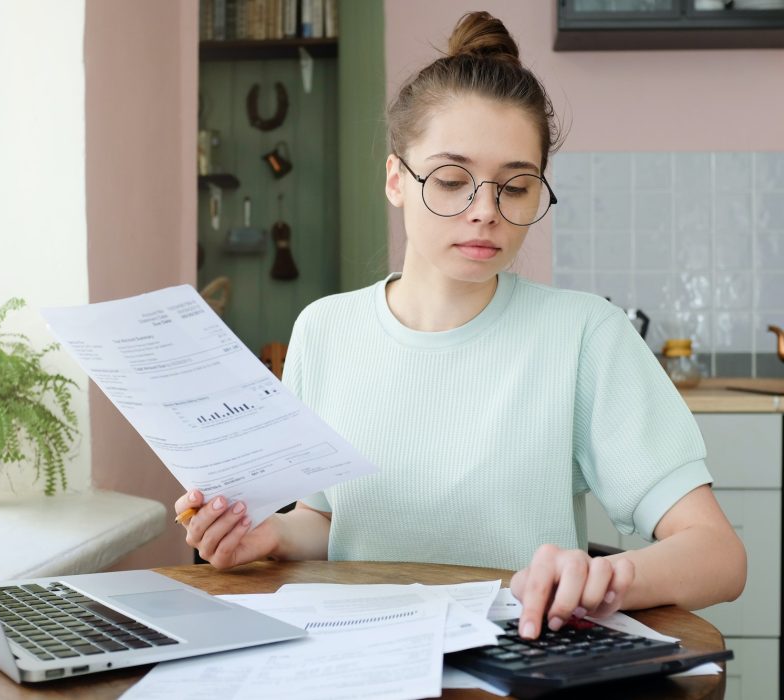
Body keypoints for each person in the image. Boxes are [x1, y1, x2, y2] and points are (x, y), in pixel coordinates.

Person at [176, 11, 746, 640]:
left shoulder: (586, 335)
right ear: (396, 179)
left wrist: (604, 579)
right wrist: (273, 535)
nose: (485, 212)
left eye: (517, 186)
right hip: (359, 657)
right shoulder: (325, 330)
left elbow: (718, 555)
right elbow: (333, 522)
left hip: (521, 660)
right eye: (451, 180)